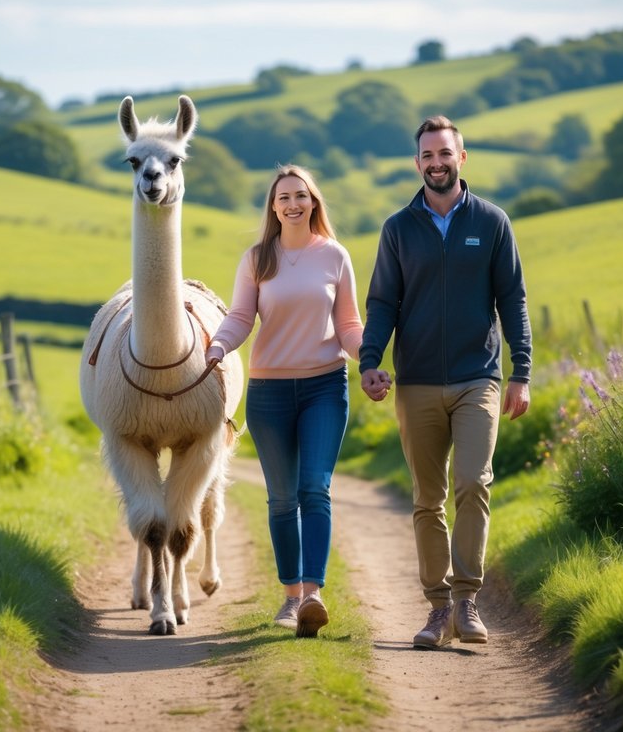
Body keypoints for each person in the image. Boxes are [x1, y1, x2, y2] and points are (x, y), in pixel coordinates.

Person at [359, 116, 532, 650]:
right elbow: (383, 300)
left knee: (474, 482)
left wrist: (521, 372)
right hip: (415, 383)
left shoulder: (492, 221)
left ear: (462, 157)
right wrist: (370, 359)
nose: (436, 162)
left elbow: (513, 300)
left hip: (478, 375)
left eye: (445, 153)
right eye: (427, 155)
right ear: (417, 164)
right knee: (427, 498)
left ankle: (467, 600)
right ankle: (437, 611)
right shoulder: (398, 228)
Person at [207, 165, 364, 639]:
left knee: (314, 488)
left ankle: (313, 595)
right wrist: (217, 347)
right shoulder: (258, 259)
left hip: (324, 386)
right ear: (273, 208)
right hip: (269, 392)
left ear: (314, 202)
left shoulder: (334, 256)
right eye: (283, 198)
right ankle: (291, 596)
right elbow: (240, 317)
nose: (293, 204)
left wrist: (370, 360)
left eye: (301, 195)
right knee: (281, 499)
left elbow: (350, 324)